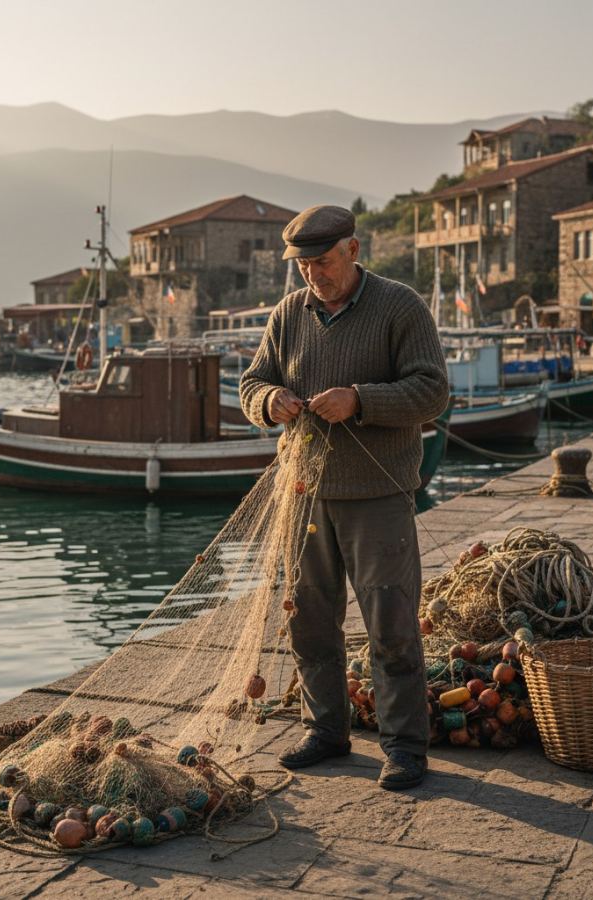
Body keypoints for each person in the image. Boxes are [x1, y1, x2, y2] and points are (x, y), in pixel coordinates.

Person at [239, 205, 450, 791]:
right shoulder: (288, 313)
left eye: (323, 262)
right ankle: (325, 730)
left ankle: (405, 747)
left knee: (392, 623)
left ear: (354, 251)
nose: (313, 274)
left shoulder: (399, 305)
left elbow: (432, 390)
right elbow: (251, 383)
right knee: (308, 620)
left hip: (377, 495)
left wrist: (360, 400)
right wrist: (269, 402)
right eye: (303, 265)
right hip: (302, 494)